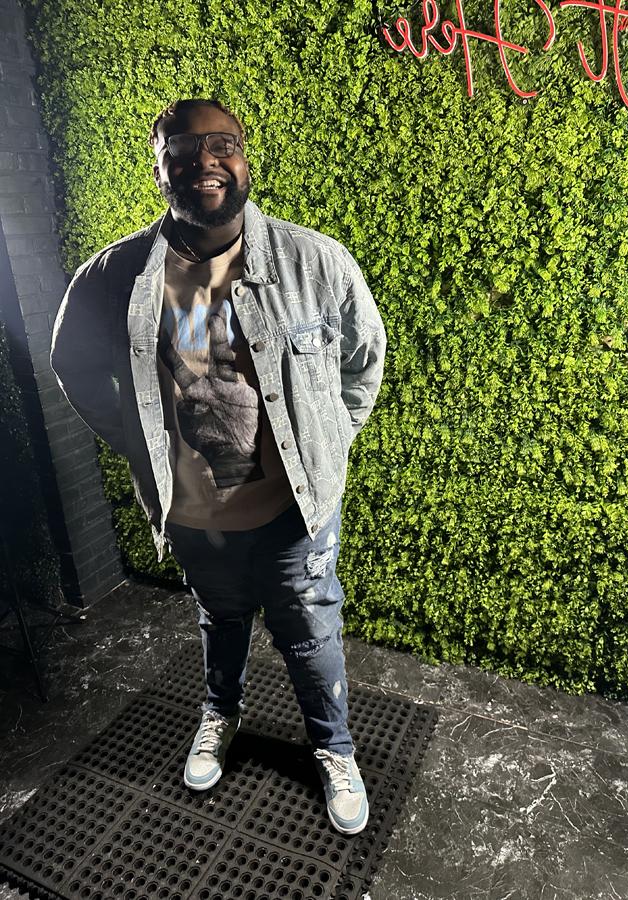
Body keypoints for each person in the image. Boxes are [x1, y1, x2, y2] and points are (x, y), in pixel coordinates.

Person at [50, 98, 387, 836]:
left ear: (244, 157)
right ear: (158, 165)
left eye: (222, 144)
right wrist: (142, 447)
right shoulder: (115, 275)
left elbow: (363, 365)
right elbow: (70, 365)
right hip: (193, 511)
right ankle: (219, 715)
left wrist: (326, 445)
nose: (204, 161)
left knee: (308, 632)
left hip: (295, 509)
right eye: (182, 148)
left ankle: (333, 750)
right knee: (221, 618)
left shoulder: (315, 261)